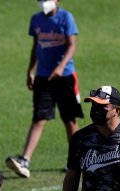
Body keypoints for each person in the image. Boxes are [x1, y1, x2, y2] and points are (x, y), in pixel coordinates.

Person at [6, 0, 83, 178]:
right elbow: (36, 47)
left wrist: (61, 67)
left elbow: (72, 45)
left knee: (69, 119)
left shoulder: (66, 17)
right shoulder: (36, 20)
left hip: (65, 76)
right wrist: (30, 71)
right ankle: (24, 161)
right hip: (43, 76)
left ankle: (77, 160)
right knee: (39, 117)